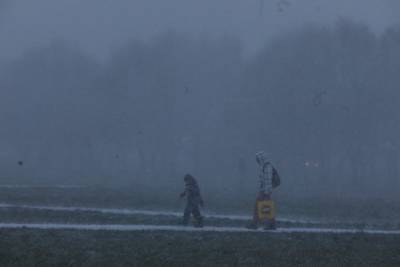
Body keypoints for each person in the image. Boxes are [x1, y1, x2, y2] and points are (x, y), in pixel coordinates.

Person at [247, 151, 280, 230]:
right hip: (264, 190)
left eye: (257, 159)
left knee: (264, 207)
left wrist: (266, 192)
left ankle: (261, 224)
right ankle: (268, 224)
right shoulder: (264, 166)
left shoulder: (267, 166)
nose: (257, 161)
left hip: (265, 191)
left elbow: (268, 180)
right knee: (266, 207)